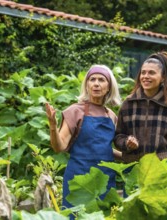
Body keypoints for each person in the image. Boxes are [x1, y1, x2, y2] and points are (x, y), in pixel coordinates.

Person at [45, 64, 122, 213]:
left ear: (109, 87)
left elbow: (104, 149)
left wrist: (130, 157)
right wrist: (53, 126)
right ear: (87, 85)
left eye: (101, 80)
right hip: (79, 178)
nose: (96, 84)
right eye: (92, 79)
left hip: (104, 179)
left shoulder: (111, 116)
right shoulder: (75, 111)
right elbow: (59, 147)